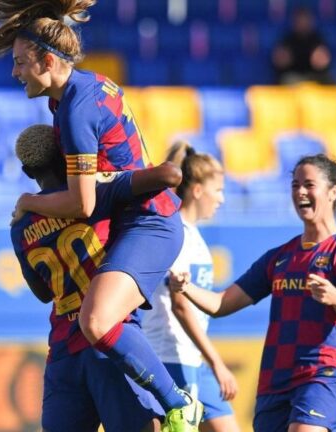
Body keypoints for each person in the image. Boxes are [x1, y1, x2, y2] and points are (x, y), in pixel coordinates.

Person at [0, 2, 201, 429]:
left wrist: (29, 203)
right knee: (103, 322)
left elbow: (82, 204)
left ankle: (179, 402)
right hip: (136, 217)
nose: (15, 72)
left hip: (149, 221)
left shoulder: (76, 109)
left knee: (97, 320)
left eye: (21, 62)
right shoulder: (88, 89)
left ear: (48, 60)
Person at [172, 154, 336, 432]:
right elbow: (220, 304)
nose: (300, 192)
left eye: (309, 184)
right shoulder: (279, 257)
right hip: (275, 381)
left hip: (323, 375)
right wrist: (186, 287)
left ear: (333, 192)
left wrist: (335, 297)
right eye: (295, 185)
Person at [11, 124, 184, 431]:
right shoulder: (97, 194)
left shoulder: (20, 225)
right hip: (110, 339)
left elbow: (42, 292)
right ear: (68, 154)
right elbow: (168, 176)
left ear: (27, 171)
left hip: (63, 352)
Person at [141, 142, 242, 432]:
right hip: (170, 354)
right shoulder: (178, 235)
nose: (221, 199)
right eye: (218, 190)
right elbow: (181, 306)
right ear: (197, 189)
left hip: (192, 356)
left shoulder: (193, 234)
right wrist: (218, 363)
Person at [272, 7, 335, 85]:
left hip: (315, 76)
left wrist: (322, 62)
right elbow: (279, 62)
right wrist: (282, 60)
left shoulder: (318, 39)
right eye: (299, 21)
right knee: (287, 79)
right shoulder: (287, 40)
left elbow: (325, 62)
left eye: (305, 20)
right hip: (294, 77)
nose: (302, 23)